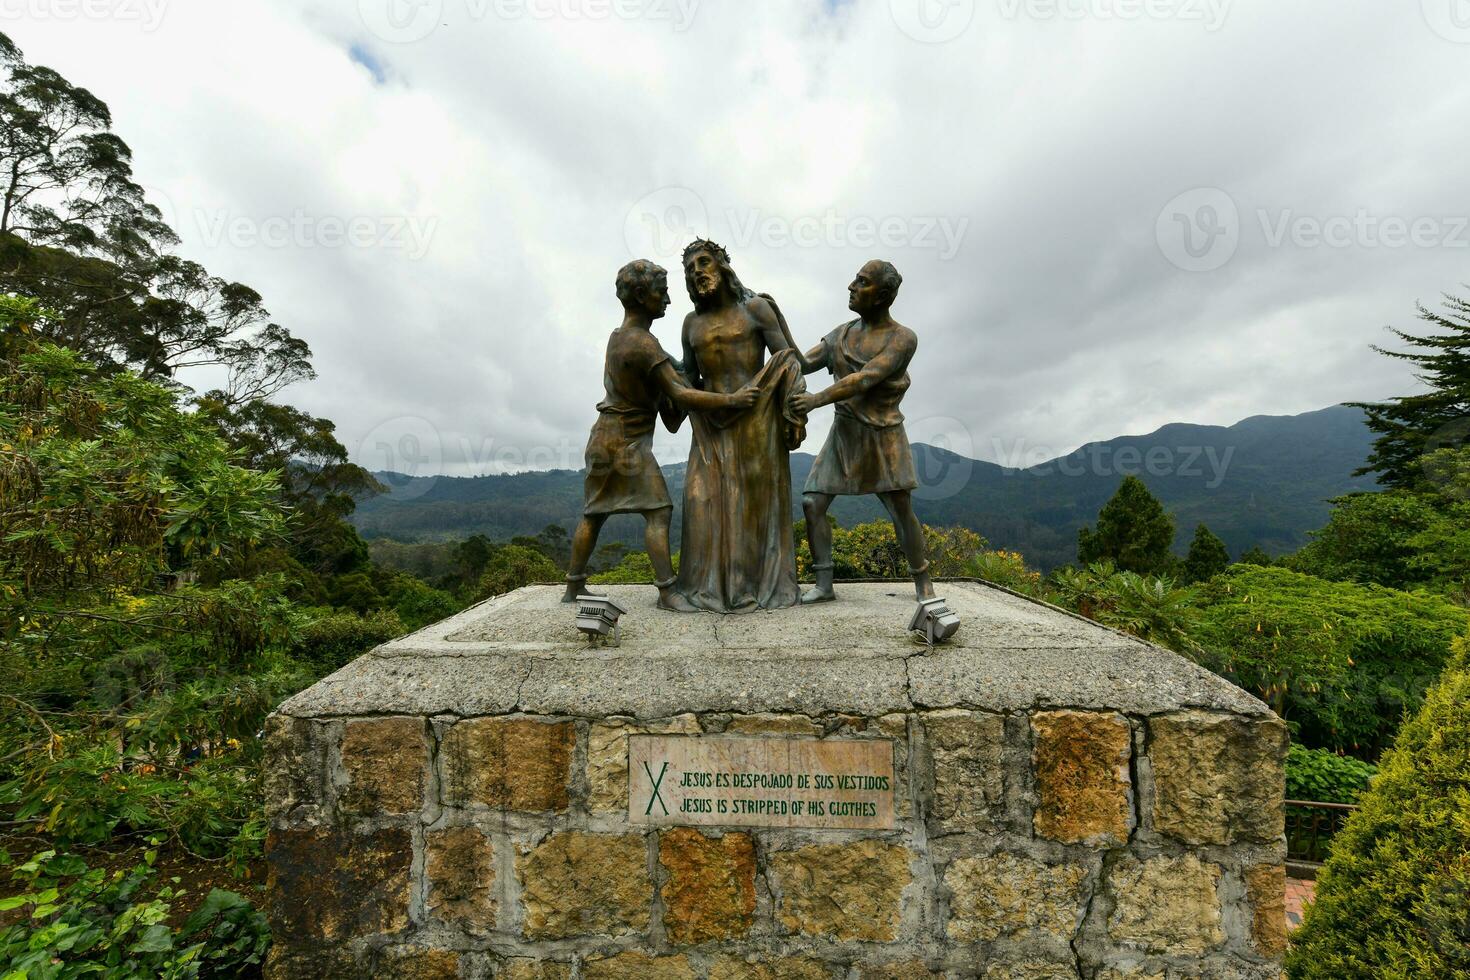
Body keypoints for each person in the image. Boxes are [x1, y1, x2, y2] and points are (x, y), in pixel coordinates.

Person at [564, 259, 756, 611]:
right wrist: (732, 398)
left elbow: (671, 404)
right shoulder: (643, 344)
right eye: (661, 293)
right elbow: (680, 395)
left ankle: (573, 587)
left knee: (594, 513)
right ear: (641, 295)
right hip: (626, 442)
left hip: (603, 438)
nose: (668, 300)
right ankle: (667, 592)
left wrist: (687, 378)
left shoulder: (620, 337)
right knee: (658, 511)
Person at [786, 259, 935, 603]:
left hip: (884, 436)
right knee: (812, 503)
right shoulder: (841, 334)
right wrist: (773, 319)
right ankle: (824, 583)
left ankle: (923, 581)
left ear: (882, 295)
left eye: (862, 282)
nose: (851, 287)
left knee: (901, 509)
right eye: (855, 279)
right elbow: (803, 362)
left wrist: (816, 399)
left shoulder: (903, 338)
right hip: (845, 435)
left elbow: (865, 378)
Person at [672, 239, 808, 612]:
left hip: (756, 418)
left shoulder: (755, 309)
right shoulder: (691, 323)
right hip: (709, 424)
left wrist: (794, 412)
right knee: (702, 502)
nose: (697, 271)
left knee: (750, 505)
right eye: (690, 268)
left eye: (704, 262)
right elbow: (688, 375)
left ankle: (750, 586)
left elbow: (787, 361)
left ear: (722, 265)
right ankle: (708, 585)